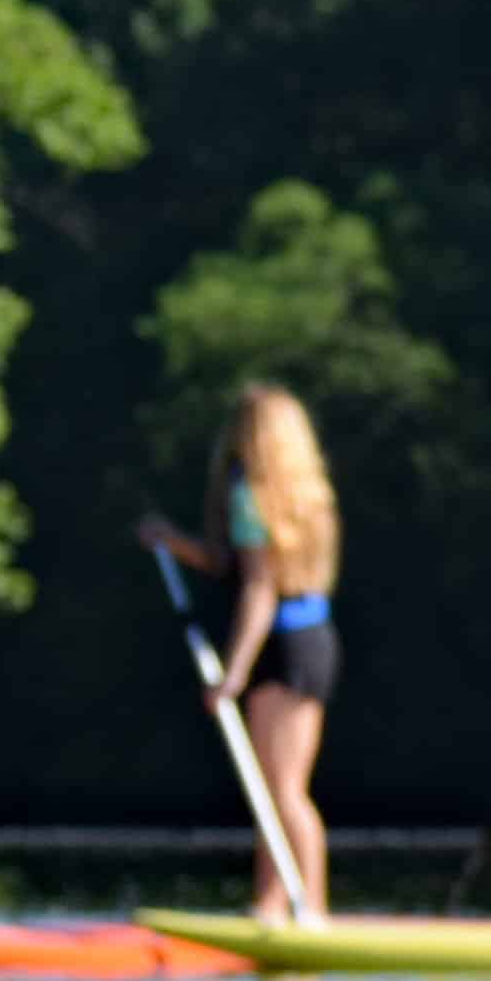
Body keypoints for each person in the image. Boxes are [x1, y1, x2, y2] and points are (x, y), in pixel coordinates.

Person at [138, 384, 342, 924]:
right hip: (314, 643)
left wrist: (234, 673)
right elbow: (237, 565)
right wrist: (175, 544)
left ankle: (308, 908)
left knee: (283, 789)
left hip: (282, 648)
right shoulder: (309, 497)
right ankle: (275, 903)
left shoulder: (250, 494)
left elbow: (258, 590)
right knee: (278, 788)